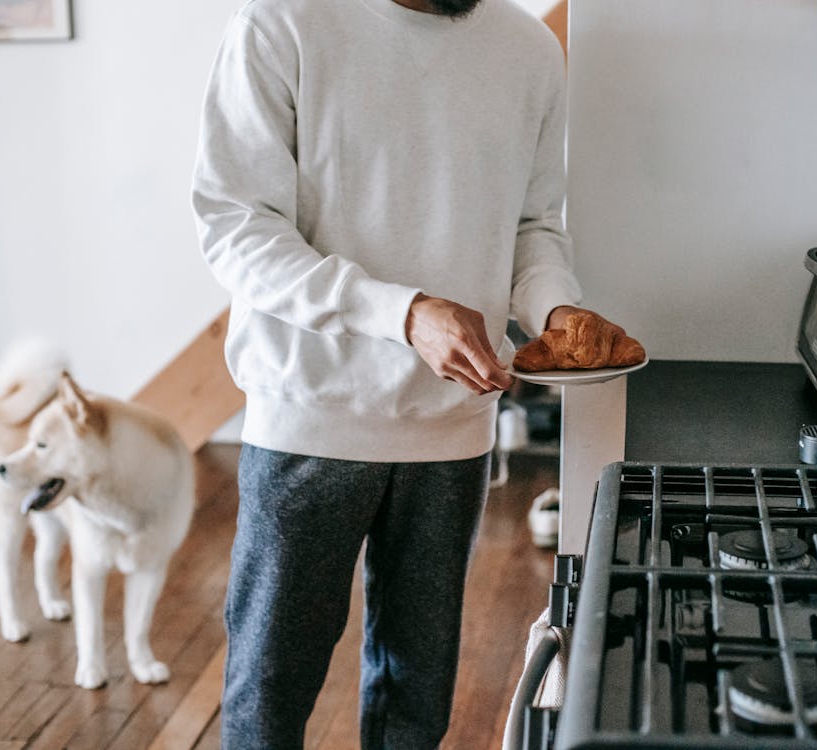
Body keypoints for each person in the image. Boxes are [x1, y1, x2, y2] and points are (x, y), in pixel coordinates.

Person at [191, 0, 626, 747]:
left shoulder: (527, 49)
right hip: (309, 423)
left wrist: (556, 310)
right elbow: (236, 227)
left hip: (453, 430)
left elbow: (532, 227)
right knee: (268, 695)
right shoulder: (281, 24)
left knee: (415, 704)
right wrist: (403, 313)